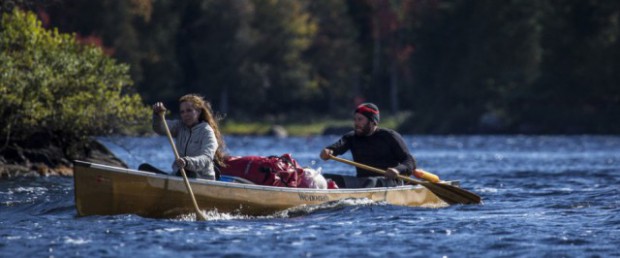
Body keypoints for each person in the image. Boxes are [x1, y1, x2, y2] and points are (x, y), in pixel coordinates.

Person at [319, 103, 416, 188]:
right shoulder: (352, 137)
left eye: (360, 119)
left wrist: (397, 170)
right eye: (355, 119)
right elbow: (335, 148)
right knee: (325, 178)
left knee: (370, 181)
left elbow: (410, 161)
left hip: (391, 182)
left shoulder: (390, 136)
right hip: (363, 182)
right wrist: (328, 151)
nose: (356, 123)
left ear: (373, 121)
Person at [146, 94, 227, 180]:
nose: (185, 114)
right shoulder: (179, 126)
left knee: (189, 173)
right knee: (144, 168)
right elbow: (160, 128)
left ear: (198, 111)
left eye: (189, 110)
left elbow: (206, 158)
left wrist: (187, 162)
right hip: (180, 176)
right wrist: (157, 115)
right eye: (182, 112)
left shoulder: (207, 132)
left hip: (202, 178)